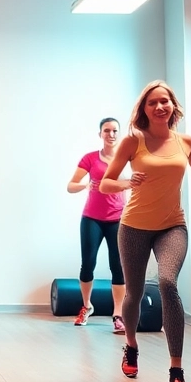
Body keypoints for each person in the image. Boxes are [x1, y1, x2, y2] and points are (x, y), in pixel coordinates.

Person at [100, 81, 191, 382]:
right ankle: (132, 345)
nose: (160, 107)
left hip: (172, 226)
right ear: (144, 109)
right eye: (153, 103)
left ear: (173, 106)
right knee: (134, 293)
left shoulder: (185, 142)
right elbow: (105, 184)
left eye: (165, 101)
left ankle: (176, 372)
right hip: (134, 226)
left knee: (167, 283)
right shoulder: (132, 141)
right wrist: (126, 182)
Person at [66, 118, 128, 331]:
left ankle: (118, 314)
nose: (111, 134)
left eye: (114, 131)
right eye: (107, 131)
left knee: (118, 267)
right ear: (100, 134)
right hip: (92, 218)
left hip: (118, 218)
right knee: (88, 264)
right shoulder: (90, 158)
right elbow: (70, 185)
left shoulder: (126, 158)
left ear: (119, 134)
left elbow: (135, 183)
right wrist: (85, 185)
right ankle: (86, 306)